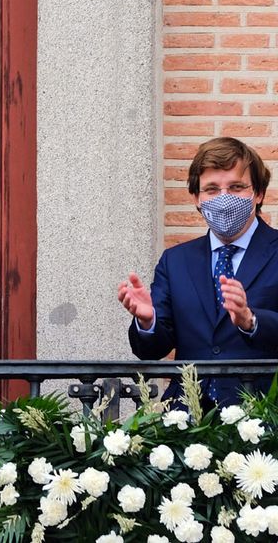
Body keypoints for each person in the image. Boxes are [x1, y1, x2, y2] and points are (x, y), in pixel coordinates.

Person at [119, 136, 278, 408]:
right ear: (196, 198)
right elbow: (151, 350)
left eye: (237, 187)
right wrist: (148, 323)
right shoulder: (176, 260)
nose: (224, 198)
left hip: (264, 421)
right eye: (212, 189)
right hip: (187, 425)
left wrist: (251, 320)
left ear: (258, 193)